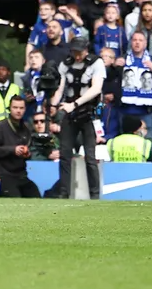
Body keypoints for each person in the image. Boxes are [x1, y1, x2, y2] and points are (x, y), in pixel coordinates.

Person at [51, 36, 104, 199]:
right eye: (74, 51)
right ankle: (64, 192)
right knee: (65, 153)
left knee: (90, 156)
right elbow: (60, 89)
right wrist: (53, 104)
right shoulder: (65, 64)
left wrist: (74, 105)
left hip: (87, 113)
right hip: (69, 112)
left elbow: (96, 89)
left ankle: (94, 194)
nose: (77, 55)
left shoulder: (96, 62)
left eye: (79, 52)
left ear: (86, 49)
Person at [0, 96, 40, 197]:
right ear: (9, 109)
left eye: (21, 108)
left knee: (36, 196)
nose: (18, 111)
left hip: (22, 175)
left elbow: (31, 147)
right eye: (15, 107)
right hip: (4, 175)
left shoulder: (27, 128)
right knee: (14, 199)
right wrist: (12, 150)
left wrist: (27, 153)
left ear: (25, 109)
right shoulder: (0, 127)